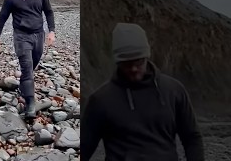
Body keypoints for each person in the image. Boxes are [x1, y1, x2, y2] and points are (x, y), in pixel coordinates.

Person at [82, 22, 205, 161]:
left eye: (138, 61)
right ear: (117, 61)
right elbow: (84, 147)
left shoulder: (174, 91)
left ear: (147, 56)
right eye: (127, 63)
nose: (134, 69)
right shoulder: (100, 100)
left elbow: (192, 137)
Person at [0, 0, 55, 118]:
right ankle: (30, 104)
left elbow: (49, 12)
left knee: (33, 64)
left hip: (38, 35)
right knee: (26, 67)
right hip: (21, 36)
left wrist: (51, 31)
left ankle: (24, 86)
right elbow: (2, 17)